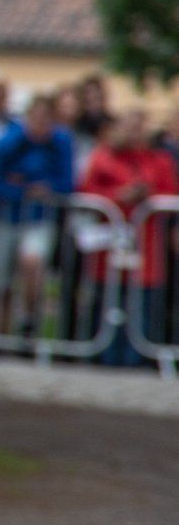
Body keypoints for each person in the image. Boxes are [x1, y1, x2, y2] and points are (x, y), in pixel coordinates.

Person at [81, 108, 179, 366]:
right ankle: (105, 358)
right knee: (109, 302)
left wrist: (149, 196)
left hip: (146, 247)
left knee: (142, 306)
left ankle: (136, 361)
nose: (134, 131)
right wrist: (119, 195)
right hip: (110, 246)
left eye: (140, 125)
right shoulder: (103, 157)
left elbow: (170, 193)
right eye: (129, 125)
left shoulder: (159, 160)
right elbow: (87, 189)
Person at [0, 96, 76, 341]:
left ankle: (29, 322)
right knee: (2, 282)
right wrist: (20, 191)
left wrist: (45, 188)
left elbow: (68, 182)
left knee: (33, 264)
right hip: (4, 217)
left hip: (38, 218)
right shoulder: (10, 139)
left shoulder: (60, 142)